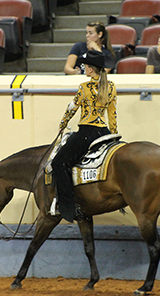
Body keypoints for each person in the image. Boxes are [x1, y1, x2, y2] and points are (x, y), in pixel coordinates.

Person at [53, 50, 118, 222]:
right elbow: (112, 114)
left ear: (90, 70)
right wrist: (113, 134)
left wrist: (62, 125)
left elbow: (72, 108)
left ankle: (67, 207)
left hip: (87, 132)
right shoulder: (110, 86)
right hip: (103, 132)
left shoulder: (84, 87)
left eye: (85, 66)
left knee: (59, 162)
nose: (84, 69)